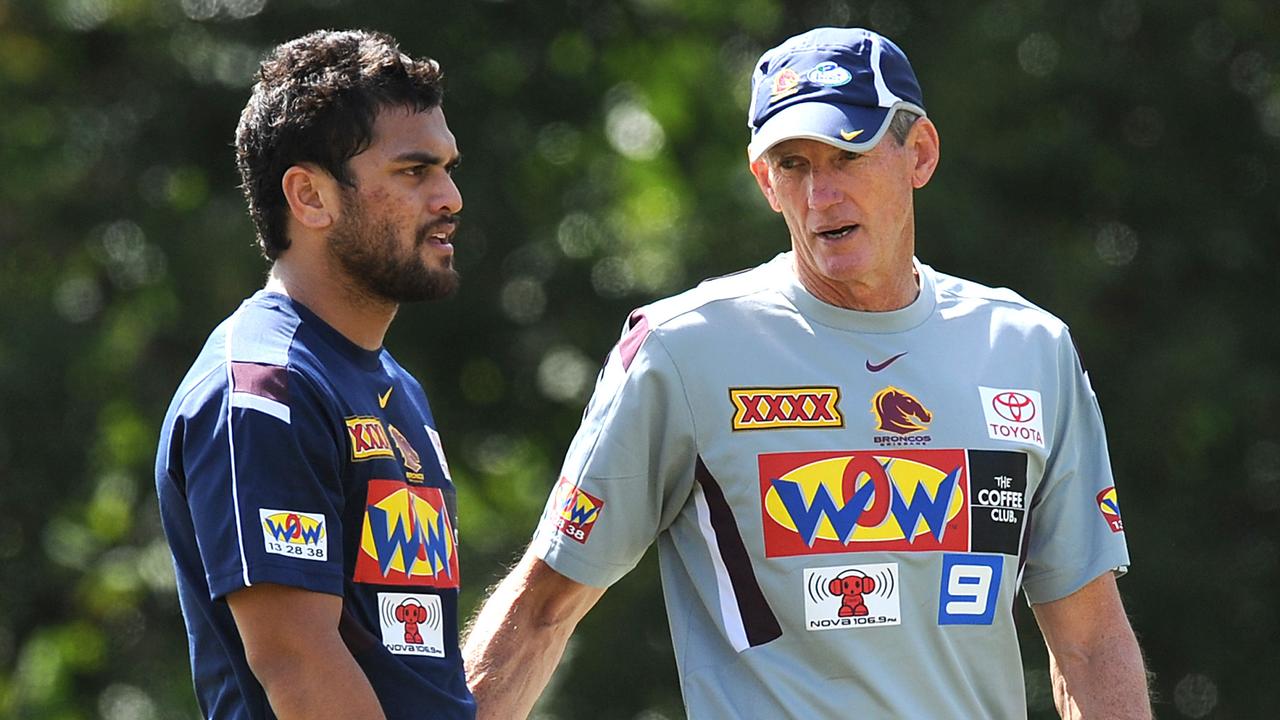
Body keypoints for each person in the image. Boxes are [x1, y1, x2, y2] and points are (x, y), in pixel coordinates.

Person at [463, 27, 1150, 719]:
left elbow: (1090, 643)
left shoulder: (1029, 348)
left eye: (847, 154)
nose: (821, 194)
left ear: (920, 154)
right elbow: (544, 607)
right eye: (792, 164)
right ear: (765, 181)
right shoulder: (683, 350)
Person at [154, 29, 473, 719]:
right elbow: (298, 665)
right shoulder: (263, 389)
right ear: (310, 196)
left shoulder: (395, 386)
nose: (449, 197)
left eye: (447, 168)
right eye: (414, 171)